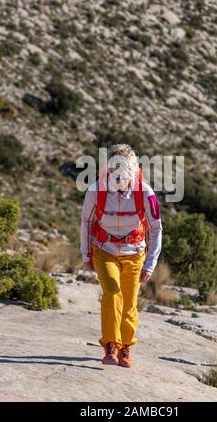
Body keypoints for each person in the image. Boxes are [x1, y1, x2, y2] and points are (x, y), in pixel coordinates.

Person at [80, 144, 162, 368]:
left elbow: (156, 228)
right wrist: (86, 253)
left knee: (129, 302)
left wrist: (150, 263)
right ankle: (110, 346)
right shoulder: (95, 191)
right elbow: (86, 222)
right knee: (112, 294)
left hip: (134, 253)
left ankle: (126, 347)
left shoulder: (146, 193)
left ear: (133, 171)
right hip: (104, 250)